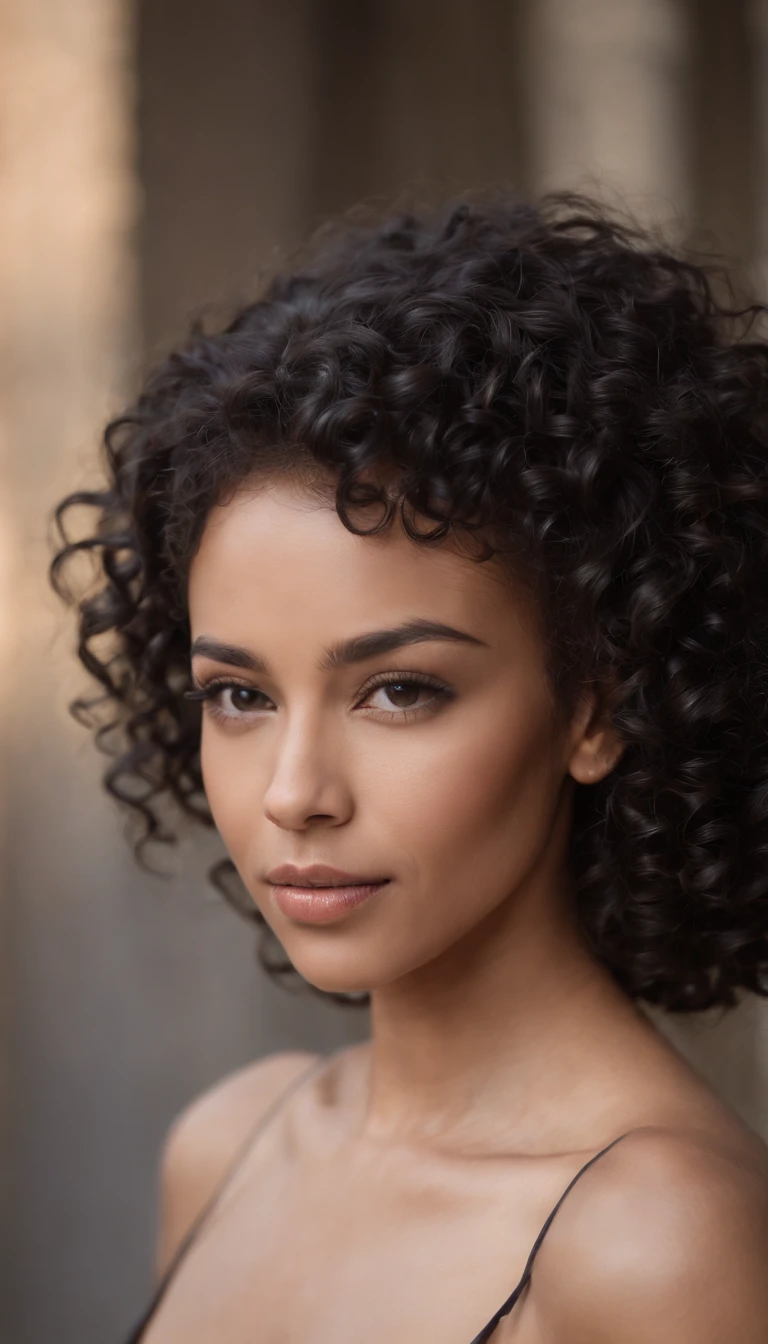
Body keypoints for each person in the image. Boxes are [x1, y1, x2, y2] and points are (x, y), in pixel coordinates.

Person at [49, 192, 768, 1342]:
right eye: (239, 695)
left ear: (596, 707)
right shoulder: (227, 1146)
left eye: (399, 691)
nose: (294, 792)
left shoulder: (660, 1246)